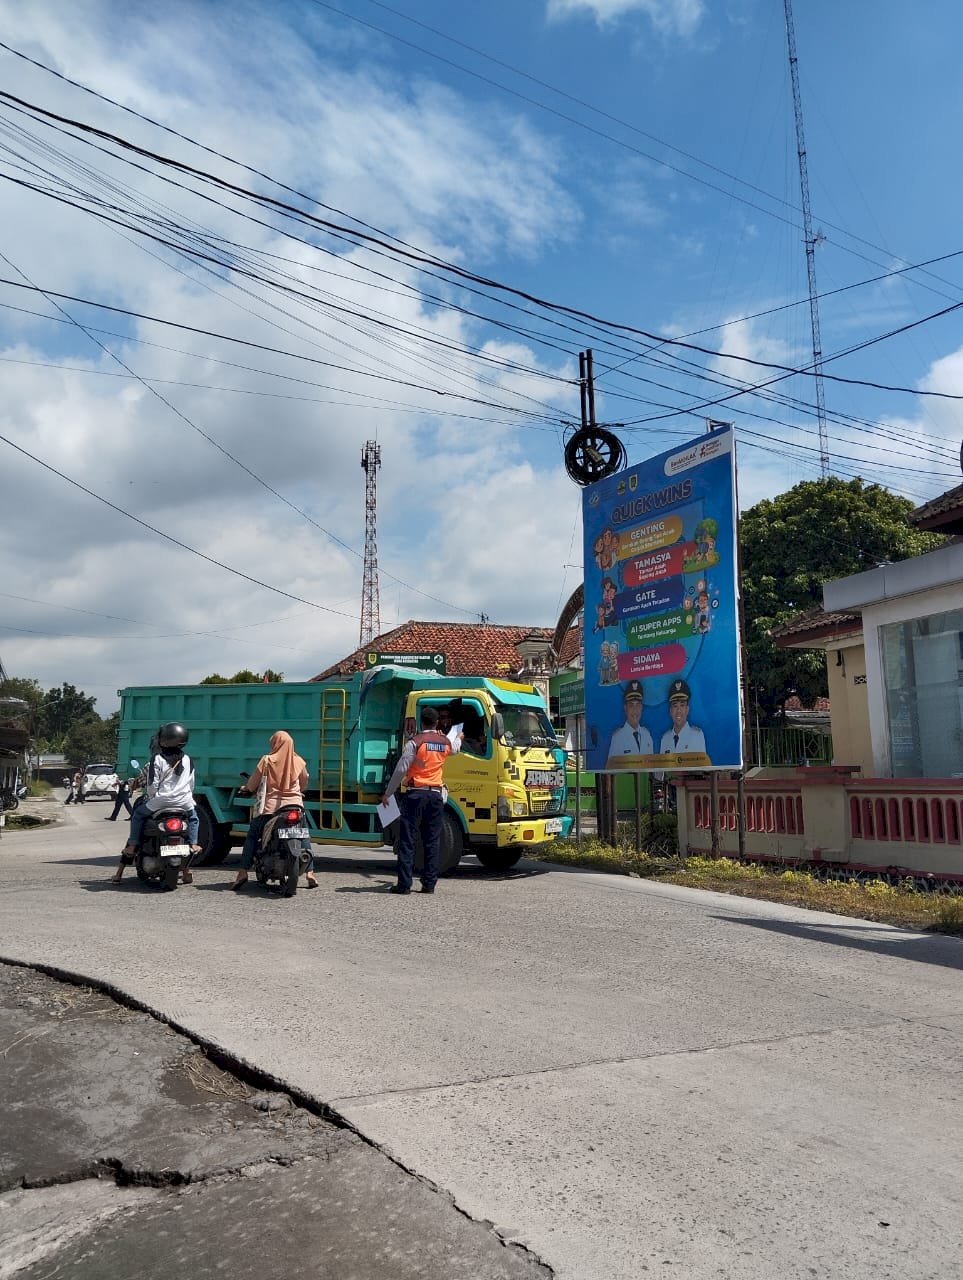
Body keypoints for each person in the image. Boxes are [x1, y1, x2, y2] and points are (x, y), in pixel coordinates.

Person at [380, 705, 458, 895]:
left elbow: (401, 769)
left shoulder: (414, 742)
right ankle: (429, 884)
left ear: (421, 722)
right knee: (432, 840)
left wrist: (388, 793)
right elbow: (456, 747)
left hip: (415, 795)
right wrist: (459, 737)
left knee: (407, 840)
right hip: (436, 796)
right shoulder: (445, 742)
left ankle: (404, 885)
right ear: (437, 722)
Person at [112, 724, 200, 884]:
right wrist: (186, 797)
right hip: (184, 802)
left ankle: (132, 846)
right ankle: (193, 844)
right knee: (193, 819)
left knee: (138, 815)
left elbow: (152, 785)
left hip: (161, 801)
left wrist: (153, 798)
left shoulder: (157, 759)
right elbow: (191, 783)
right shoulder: (187, 759)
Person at [231, 730, 318, 890]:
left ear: (275, 744)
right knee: (303, 834)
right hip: (295, 806)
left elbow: (253, 783)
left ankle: (242, 872)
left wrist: (247, 788)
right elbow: (304, 781)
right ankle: (310, 873)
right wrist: (298, 791)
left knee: (252, 836)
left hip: (271, 809)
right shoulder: (299, 761)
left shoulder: (267, 760)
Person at [659, 679, 708, 756]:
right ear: (670, 711)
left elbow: (701, 763)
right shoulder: (665, 738)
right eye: (675, 706)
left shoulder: (697, 736)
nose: (678, 710)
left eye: (682, 705)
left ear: (687, 709)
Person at [607, 681, 654, 760]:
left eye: (638, 705)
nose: (635, 710)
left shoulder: (647, 734)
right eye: (631, 705)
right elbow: (611, 766)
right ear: (625, 708)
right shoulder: (617, 737)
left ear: (642, 707)